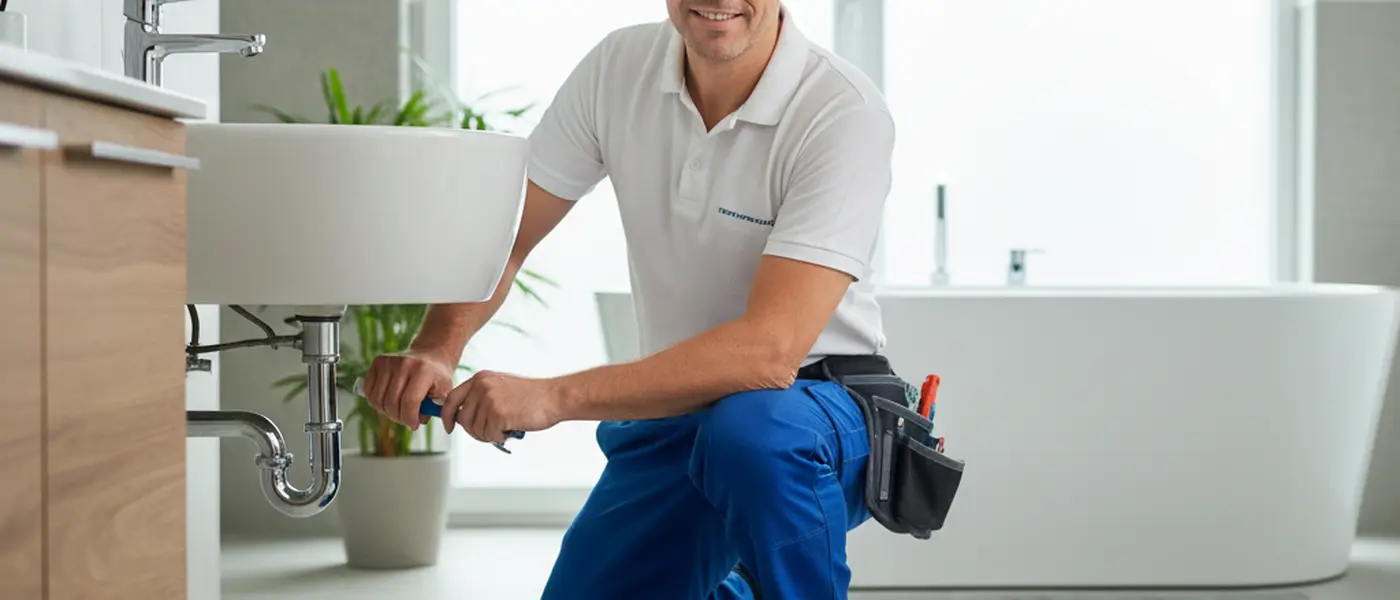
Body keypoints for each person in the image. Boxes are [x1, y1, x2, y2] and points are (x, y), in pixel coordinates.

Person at [362, 1, 895, 598]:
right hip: (678, 407)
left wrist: (551, 397)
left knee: (751, 433)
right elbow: (507, 240)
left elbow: (768, 354)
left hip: (816, 408)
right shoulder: (619, 67)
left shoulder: (842, 110)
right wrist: (437, 348)